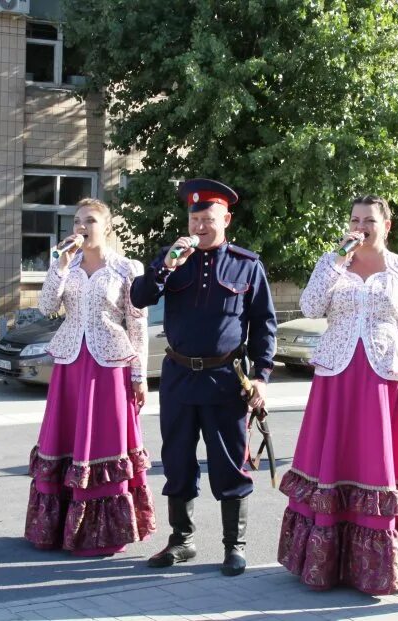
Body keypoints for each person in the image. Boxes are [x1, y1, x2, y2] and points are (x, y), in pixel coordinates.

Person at [277, 195, 398, 594]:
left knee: (377, 462)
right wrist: (334, 261)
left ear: (387, 225)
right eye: (354, 219)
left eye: (369, 221)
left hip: (384, 380)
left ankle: (375, 566)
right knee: (333, 459)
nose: (360, 227)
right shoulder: (333, 264)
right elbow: (311, 306)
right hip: (336, 379)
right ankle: (325, 560)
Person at [130, 178, 277, 577]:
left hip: (225, 381)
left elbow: (264, 325)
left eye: (208, 219)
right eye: (194, 218)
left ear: (225, 219)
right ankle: (182, 541)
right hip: (178, 378)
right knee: (177, 462)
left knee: (230, 464)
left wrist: (261, 376)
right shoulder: (172, 258)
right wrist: (164, 267)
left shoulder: (247, 264)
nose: (199, 226)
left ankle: (235, 546)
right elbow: (139, 297)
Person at [24, 198, 157, 556]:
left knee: (103, 442)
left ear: (108, 227)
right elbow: (47, 308)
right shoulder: (66, 264)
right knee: (65, 439)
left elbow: (138, 324)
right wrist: (59, 267)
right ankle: (57, 527)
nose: (82, 227)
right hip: (70, 362)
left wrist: (139, 374)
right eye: (77, 221)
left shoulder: (126, 268)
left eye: (91, 221)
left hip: (110, 364)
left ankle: (101, 532)